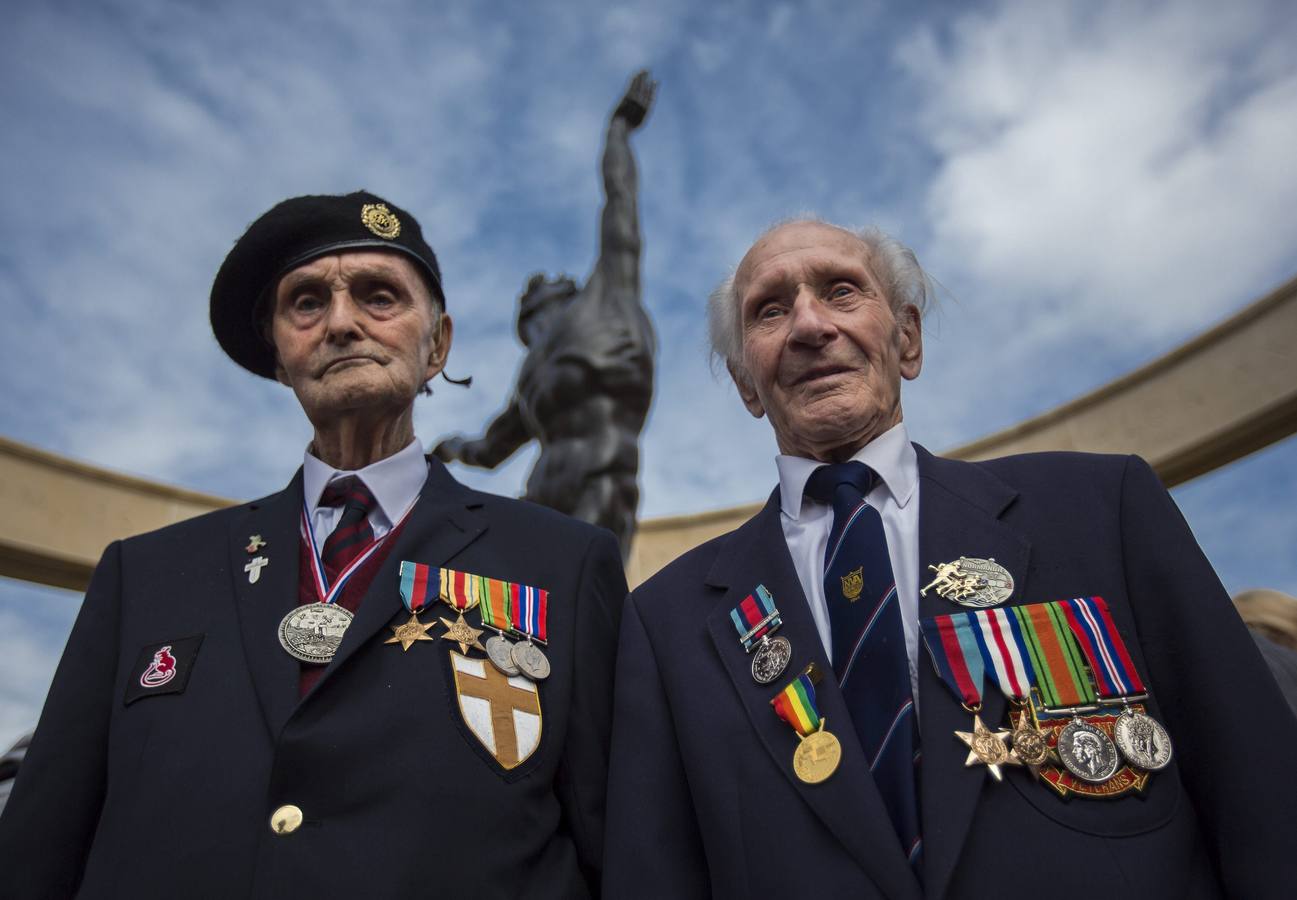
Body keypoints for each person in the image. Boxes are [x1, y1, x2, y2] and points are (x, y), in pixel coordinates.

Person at [604, 219, 1297, 899]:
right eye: (771, 310)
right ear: (746, 383)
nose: (810, 326)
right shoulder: (665, 622)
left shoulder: (1098, 508)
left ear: (906, 339)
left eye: (841, 291)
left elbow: (1260, 788)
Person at [0, 191, 627, 898]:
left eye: (379, 296)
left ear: (438, 345)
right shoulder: (142, 576)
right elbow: (37, 853)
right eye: (305, 303)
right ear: (278, 353)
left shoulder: (565, 565)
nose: (341, 323)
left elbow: (621, 851)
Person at [434, 71, 657, 561]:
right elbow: (490, 450)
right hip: (537, 500)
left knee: (584, 616)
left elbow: (620, 201)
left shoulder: (607, 298)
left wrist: (617, 130)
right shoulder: (532, 377)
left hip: (602, 489)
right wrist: (447, 448)